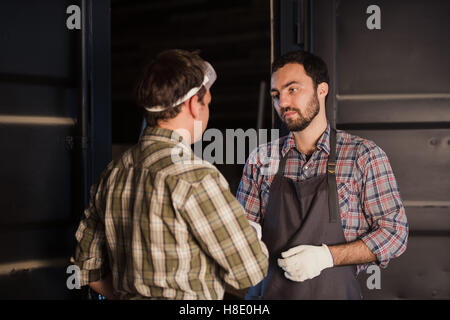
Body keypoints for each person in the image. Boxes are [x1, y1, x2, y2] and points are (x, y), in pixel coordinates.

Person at [71, 49, 268, 300]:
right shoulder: (197, 178)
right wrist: (249, 237)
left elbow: (88, 269)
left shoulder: (113, 174)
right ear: (193, 105)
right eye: (207, 103)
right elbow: (250, 272)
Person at [236, 50, 408, 300]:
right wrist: (244, 236)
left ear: (322, 90)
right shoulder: (261, 159)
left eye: (292, 89)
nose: (282, 103)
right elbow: (243, 231)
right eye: (276, 95)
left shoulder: (363, 155)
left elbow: (395, 233)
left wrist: (327, 256)